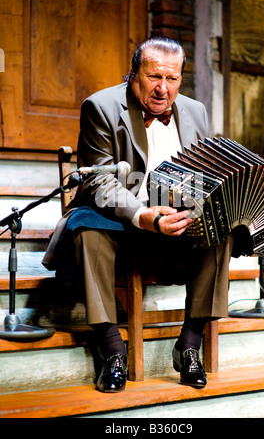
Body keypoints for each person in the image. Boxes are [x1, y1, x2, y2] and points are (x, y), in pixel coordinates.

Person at [43, 36, 234, 393]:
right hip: (120, 216)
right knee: (86, 229)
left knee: (220, 230)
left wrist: (201, 208)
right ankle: (113, 349)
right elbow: (100, 182)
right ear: (133, 74)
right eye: (154, 77)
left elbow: (203, 174)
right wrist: (143, 215)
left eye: (173, 79)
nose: (163, 89)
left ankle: (189, 344)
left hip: (174, 217)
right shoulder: (100, 106)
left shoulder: (196, 112)